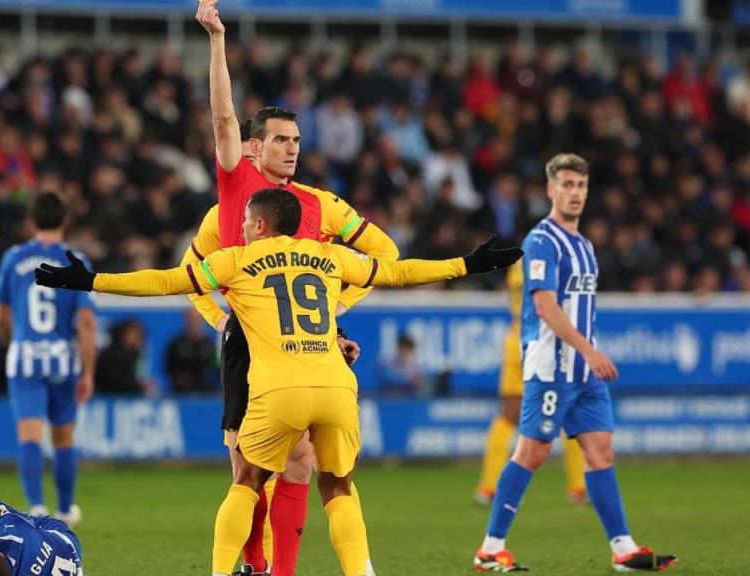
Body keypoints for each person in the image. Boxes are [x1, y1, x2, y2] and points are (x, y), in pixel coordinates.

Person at [35, 188, 522, 576]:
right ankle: (363, 571)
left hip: (278, 391)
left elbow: (163, 281)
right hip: (335, 387)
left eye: (246, 221)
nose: (242, 228)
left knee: (246, 482)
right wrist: (466, 265)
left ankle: (223, 573)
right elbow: (396, 272)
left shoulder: (236, 262)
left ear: (261, 225)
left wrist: (91, 281)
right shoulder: (329, 257)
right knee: (338, 487)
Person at [197, 0, 404, 568]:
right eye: (281, 140)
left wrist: (335, 312)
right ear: (253, 146)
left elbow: (384, 255)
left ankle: (277, 570)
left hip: (304, 341)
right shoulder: (235, 187)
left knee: (300, 462)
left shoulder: (317, 205)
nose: (292, 148)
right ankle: (255, 564)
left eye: (296, 140)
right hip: (247, 338)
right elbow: (221, 117)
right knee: (246, 467)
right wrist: (217, 40)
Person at [472, 154, 677, 573]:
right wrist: (589, 349)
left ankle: (624, 549)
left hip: (584, 372)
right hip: (552, 367)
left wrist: (587, 355)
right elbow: (545, 305)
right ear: (551, 190)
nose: (575, 193)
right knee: (531, 451)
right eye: (566, 184)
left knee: (600, 451)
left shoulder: (584, 245)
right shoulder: (541, 241)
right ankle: (490, 548)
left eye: (581, 185)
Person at [0, 191, 96, 527]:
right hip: (63, 359)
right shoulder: (77, 260)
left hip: (25, 359)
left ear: (31, 222)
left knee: (29, 435)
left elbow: (0, 314)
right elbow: (86, 322)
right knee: (64, 437)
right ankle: (65, 510)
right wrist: (88, 371)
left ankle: (36, 507)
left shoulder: (13, 258)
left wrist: (15, 341)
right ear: (64, 221)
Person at [474, 260, 587, 506]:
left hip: (516, 339)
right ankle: (578, 486)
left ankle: (488, 487)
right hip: (543, 342)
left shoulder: (518, 264)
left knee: (508, 415)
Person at [166, 308, 219, 394]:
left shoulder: (210, 344)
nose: (193, 322)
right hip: (181, 392)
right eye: (191, 318)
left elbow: (217, 368)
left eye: (196, 319)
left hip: (207, 392)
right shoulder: (176, 344)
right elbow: (169, 367)